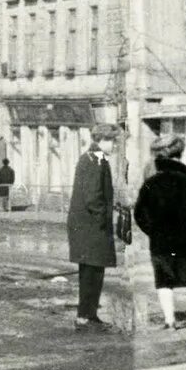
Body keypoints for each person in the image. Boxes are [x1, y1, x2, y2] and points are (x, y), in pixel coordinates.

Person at [135, 134, 186, 330]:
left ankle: (169, 319)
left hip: (161, 240)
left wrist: (153, 231)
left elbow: (139, 213)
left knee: (164, 279)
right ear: (179, 155)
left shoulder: (151, 182)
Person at [65, 129, 123, 332]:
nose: (114, 145)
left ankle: (89, 315)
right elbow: (92, 197)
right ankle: (85, 317)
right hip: (90, 226)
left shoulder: (93, 158)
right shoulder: (94, 161)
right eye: (112, 141)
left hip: (87, 225)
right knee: (92, 271)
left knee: (93, 270)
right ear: (102, 140)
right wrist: (103, 218)